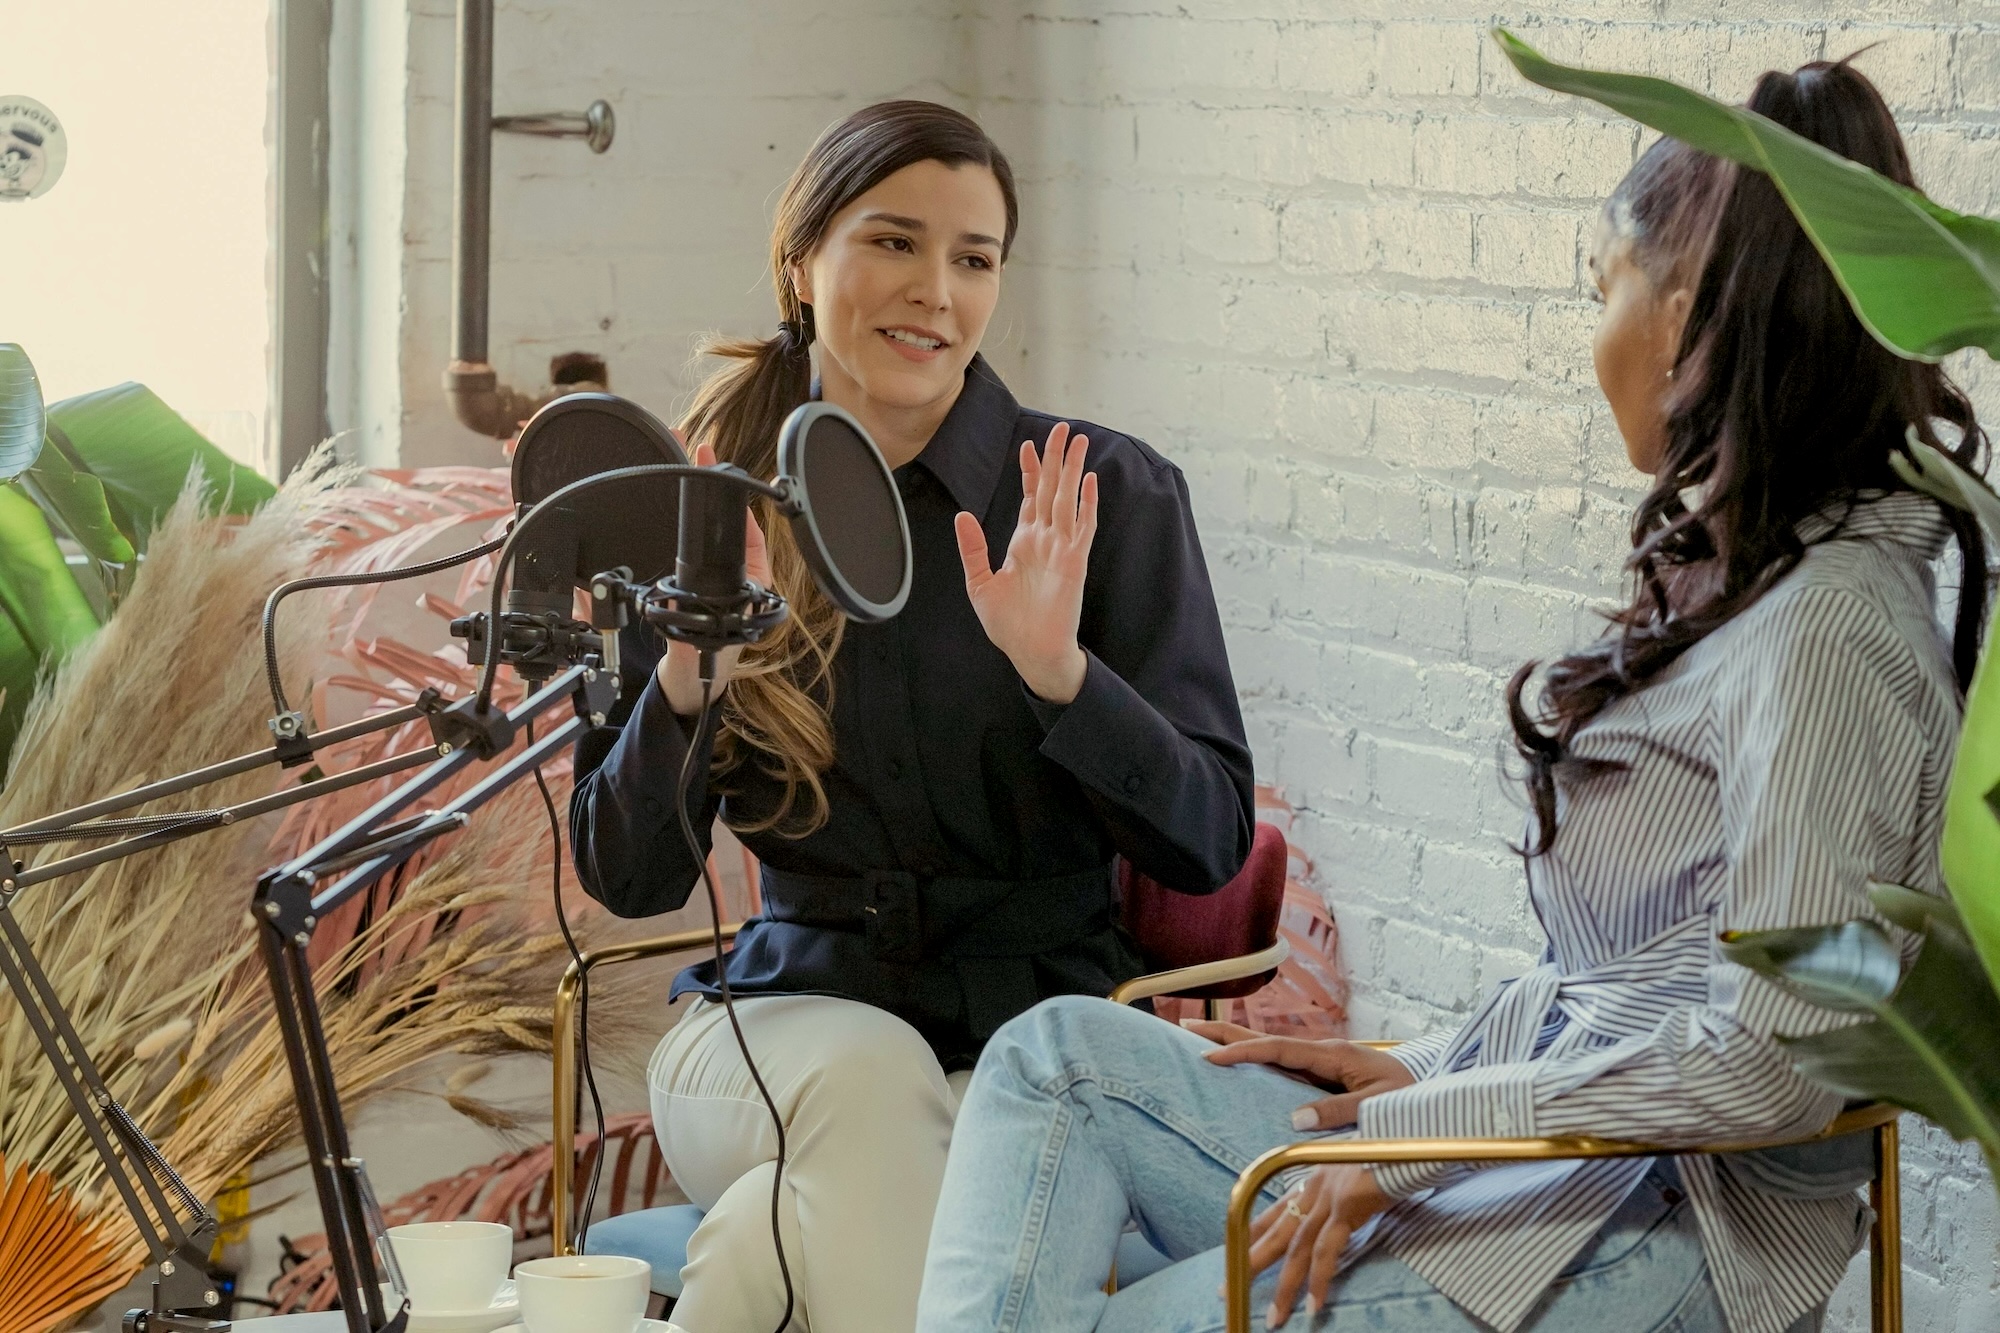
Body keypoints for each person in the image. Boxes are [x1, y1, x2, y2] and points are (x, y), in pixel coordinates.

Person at [916, 57, 1987, 1333]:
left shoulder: (1823, 628)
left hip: (1654, 1221)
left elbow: (1770, 1059)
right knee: (1054, 1063)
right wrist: (1423, 1072)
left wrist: (1425, 1132)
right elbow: (1623, 980)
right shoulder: (1752, 581)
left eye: (1601, 289)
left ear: (1684, 309)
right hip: (1535, 1152)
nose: (1590, 338)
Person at [569, 100, 1254, 1333]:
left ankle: (743, 1265)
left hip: (1031, 1060)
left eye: (973, 257)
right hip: (769, 1037)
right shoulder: (704, 515)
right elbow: (626, 877)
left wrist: (1062, 676)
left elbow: (1204, 839)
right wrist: (686, 670)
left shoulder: (1101, 496)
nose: (933, 290)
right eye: (892, 242)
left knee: (771, 1241)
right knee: (879, 1087)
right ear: (803, 261)